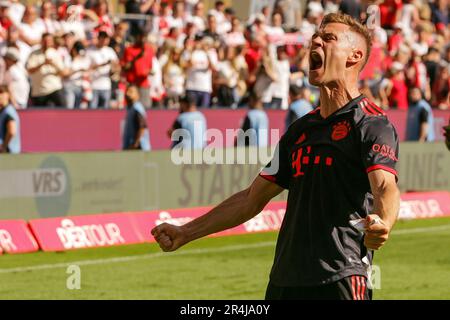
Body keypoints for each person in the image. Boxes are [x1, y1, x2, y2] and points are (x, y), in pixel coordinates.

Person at [152, 13, 400, 300]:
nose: (316, 42)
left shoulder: (371, 124)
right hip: (284, 280)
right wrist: (186, 232)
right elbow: (250, 199)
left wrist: (384, 221)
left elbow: (384, 185)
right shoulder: (299, 130)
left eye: (328, 38)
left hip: (341, 275)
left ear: (354, 56)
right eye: (315, 38)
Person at [26, 33, 66, 108]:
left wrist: (53, 64)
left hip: (54, 88)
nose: (47, 43)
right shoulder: (34, 54)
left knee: (63, 111)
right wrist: (43, 63)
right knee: (39, 116)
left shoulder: (55, 53)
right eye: (45, 41)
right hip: (39, 91)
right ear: (42, 41)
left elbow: (63, 72)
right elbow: (30, 70)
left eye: (49, 41)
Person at [121, 28, 154, 109]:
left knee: (145, 109)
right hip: (132, 85)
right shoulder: (129, 50)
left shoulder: (149, 50)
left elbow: (150, 66)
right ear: (137, 37)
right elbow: (125, 67)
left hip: (144, 84)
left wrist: (149, 72)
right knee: (131, 109)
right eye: (141, 37)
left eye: (145, 37)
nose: (143, 39)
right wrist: (136, 58)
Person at [122, 85, 151, 151]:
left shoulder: (137, 108)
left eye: (131, 92)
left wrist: (135, 144)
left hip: (139, 149)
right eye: (127, 91)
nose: (127, 94)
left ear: (138, 95)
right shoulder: (130, 108)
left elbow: (142, 128)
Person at [0, 85, 20, 153]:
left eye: (1, 93)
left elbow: (12, 131)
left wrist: (4, 146)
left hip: (9, 153)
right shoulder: (3, 111)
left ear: (8, 94)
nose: (0, 96)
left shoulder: (9, 112)